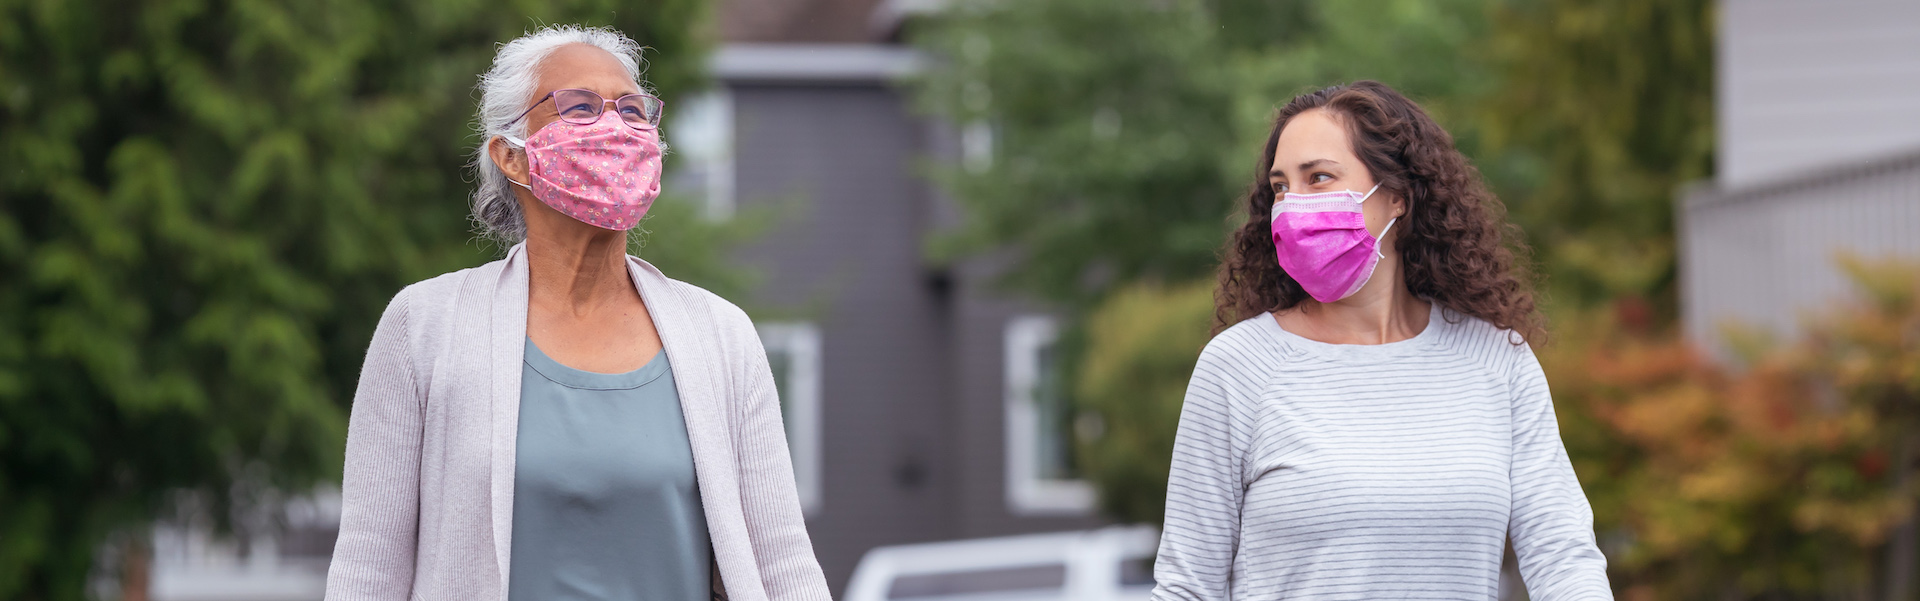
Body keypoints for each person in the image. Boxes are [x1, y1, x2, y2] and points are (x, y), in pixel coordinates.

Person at [324, 25, 830, 601]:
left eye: (634, 112)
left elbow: (783, 565)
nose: (616, 129)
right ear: (511, 156)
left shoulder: (720, 335)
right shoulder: (425, 326)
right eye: (580, 107)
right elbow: (368, 569)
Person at [1150, 81, 1612, 600]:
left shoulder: (1496, 361)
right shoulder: (1238, 367)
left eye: (1319, 178)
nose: (1293, 207)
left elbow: (1563, 555)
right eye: (1281, 187)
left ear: (1395, 197)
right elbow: (1188, 585)